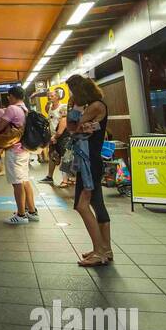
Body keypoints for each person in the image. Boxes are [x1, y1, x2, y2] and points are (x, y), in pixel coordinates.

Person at [65, 74, 112, 265]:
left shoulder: (94, 106)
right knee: (97, 204)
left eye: (72, 92)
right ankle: (105, 249)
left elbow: (72, 128)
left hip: (88, 162)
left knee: (81, 205)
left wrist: (74, 107)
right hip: (92, 160)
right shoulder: (99, 105)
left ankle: (99, 252)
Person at [0, 87, 38, 226]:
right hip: (24, 149)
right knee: (25, 180)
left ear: (11, 96)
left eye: (9, 96)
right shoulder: (25, 109)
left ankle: (21, 214)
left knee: (17, 183)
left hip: (14, 150)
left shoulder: (12, 109)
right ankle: (32, 212)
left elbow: (0, 127)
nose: (8, 99)